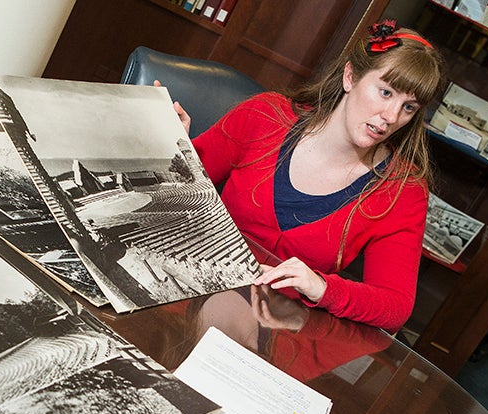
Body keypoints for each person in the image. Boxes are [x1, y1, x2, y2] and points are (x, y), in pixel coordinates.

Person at [167, 20, 445, 333]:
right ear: (350, 76)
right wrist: (172, 149)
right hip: (187, 291)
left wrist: (322, 288)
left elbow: (394, 306)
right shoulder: (263, 116)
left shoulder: (403, 191)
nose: (392, 117)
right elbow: (178, 195)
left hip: (280, 331)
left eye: (408, 107)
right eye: (385, 92)